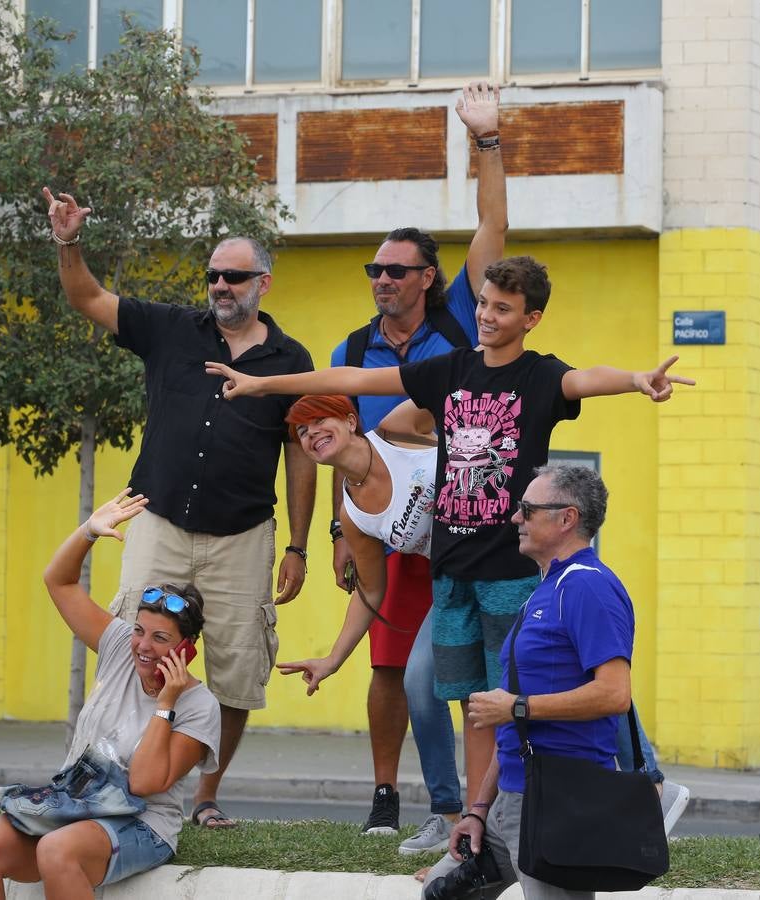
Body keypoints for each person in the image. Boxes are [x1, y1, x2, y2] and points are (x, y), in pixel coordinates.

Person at [207, 256, 693, 834]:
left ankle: (647, 784)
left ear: (531, 318)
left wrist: (637, 381)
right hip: (452, 573)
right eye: (484, 303)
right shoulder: (449, 371)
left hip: (512, 568)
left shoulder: (538, 376)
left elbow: (586, 378)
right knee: (473, 704)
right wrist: (263, 384)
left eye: (502, 309)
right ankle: (472, 821)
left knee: (542, 686)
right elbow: (353, 381)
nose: (486, 315)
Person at [43, 189, 316, 829]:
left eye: (235, 276)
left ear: (263, 283)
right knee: (130, 649)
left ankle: (205, 796)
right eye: (214, 275)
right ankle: (112, 775)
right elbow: (87, 298)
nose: (220, 285)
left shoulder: (292, 360)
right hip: (158, 520)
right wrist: (67, 242)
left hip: (243, 535)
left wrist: (300, 544)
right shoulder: (170, 327)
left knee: (239, 669)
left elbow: (301, 454)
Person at [327, 81, 503, 845]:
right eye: (375, 270)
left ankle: (486, 806)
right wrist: (337, 532)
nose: (383, 279)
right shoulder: (350, 353)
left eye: (397, 269)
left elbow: (493, 224)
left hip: (472, 523)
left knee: (485, 675)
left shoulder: (460, 318)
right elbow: (336, 448)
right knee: (397, 671)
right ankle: (413, 801)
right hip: (397, 532)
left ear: (427, 277)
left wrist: (485, 141)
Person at [0, 489, 221, 898]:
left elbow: (146, 781)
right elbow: (58, 581)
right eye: (139, 631)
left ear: (186, 648)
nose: (143, 646)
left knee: (57, 851)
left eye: (160, 638)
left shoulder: (199, 706)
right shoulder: (119, 645)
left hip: (144, 825)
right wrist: (89, 531)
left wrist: (165, 703)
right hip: (79, 805)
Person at [424, 463, 634, 900]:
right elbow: (514, 722)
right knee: (441, 891)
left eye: (527, 509)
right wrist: (479, 810)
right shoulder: (546, 588)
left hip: (557, 800)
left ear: (566, 519)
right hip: (510, 801)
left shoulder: (588, 588)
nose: (515, 518)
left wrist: (518, 707)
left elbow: (615, 693)